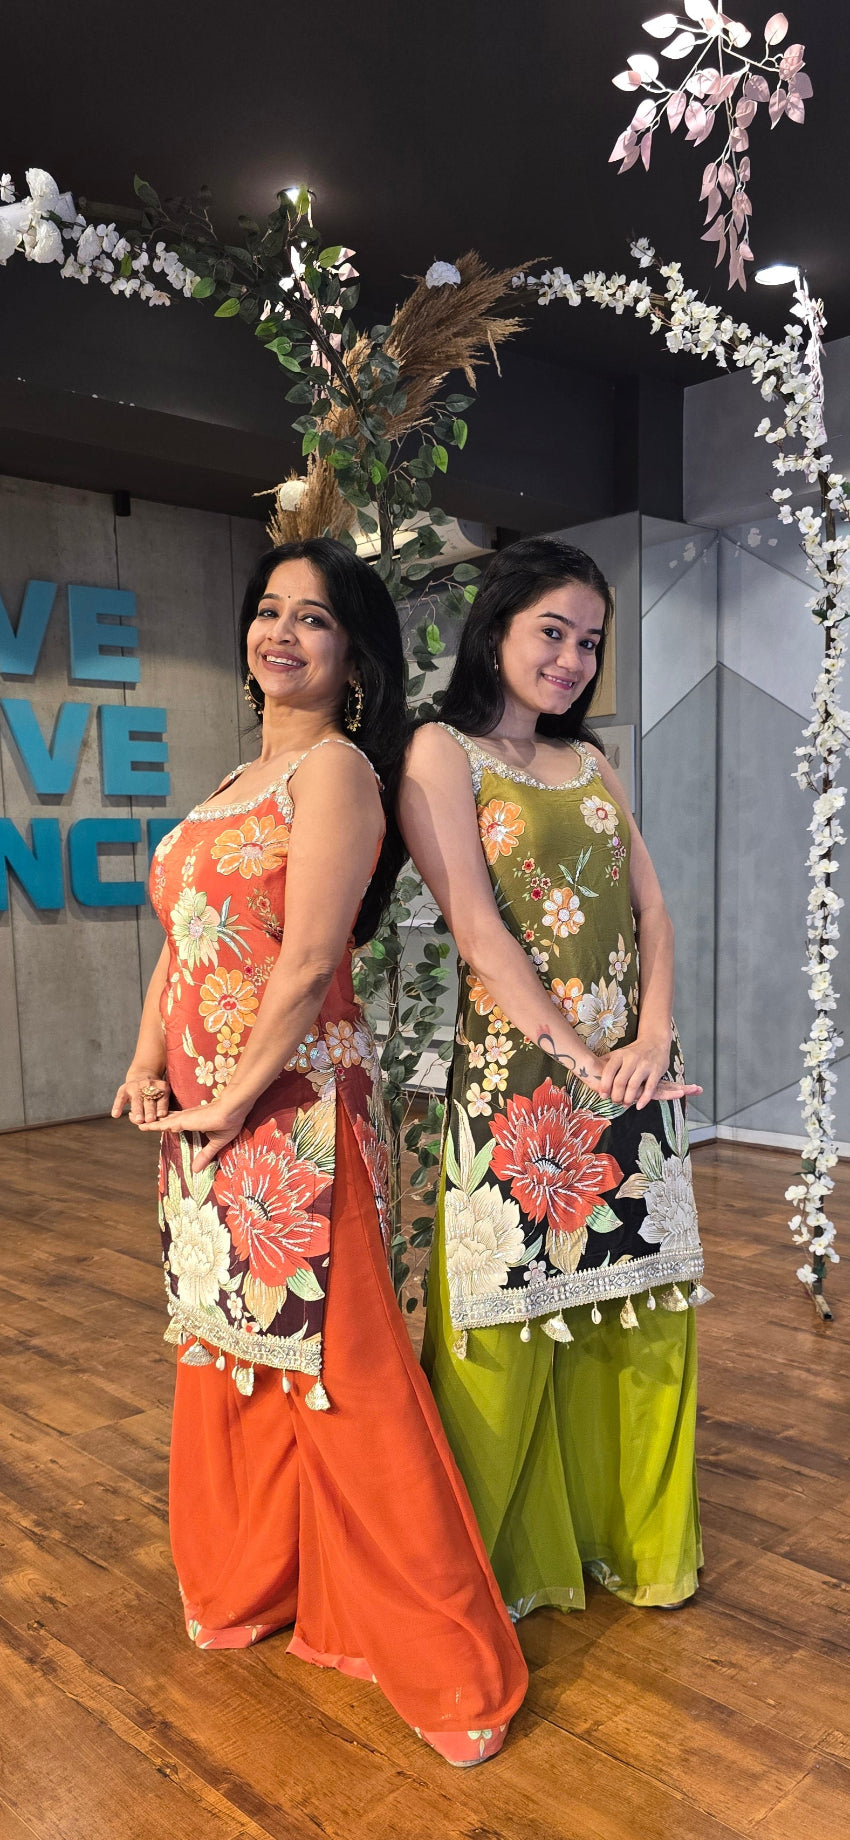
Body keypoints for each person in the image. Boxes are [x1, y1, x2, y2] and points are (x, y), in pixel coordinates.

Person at [111, 537, 526, 1764]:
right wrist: (147, 1063)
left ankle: (446, 1666)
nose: (280, 634)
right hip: (206, 1119)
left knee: (349, 1382)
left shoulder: (337, 773)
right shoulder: (229, 784)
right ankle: (254, 1581)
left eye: (313, 619)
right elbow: (185, 944)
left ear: (353, 658)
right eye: (268, 611)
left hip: (292, 1114)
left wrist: (234, 1097)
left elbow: (303, 965)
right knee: (231, 1356)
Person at [398, 535, 708, 1621]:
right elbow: (479, 935)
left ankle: (630, 1544)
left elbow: (653, 911)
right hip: (519, 1083)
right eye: (553, 632)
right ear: (496, 629)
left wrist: (652, 1040)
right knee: (506, 1325)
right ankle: (492, 1571)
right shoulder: (440, 751)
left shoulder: (592, 762)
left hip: (636, 1082)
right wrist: (584, 1060)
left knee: (641, 1311)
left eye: (590, 641)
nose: (573, 660)